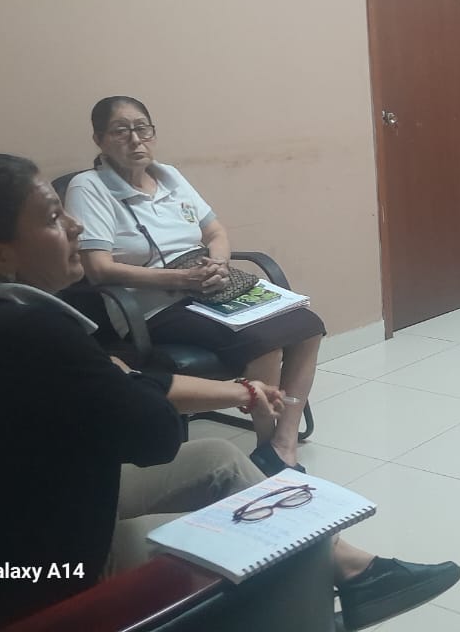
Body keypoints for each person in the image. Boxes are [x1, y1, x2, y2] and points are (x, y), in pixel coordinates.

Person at [0, 153, 460, 630]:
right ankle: (319, 598)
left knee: (216, 457)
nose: (76, 226)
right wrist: (122, 377)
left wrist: (238, 391)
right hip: (40, 573)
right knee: (272, 544)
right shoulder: (33, 333)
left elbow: (129, 387)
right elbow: (154, 436)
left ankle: (356, 571)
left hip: (41, 517)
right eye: (53, 218)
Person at [64, 96, 319, 476]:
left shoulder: (169, 175)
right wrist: (180, 279)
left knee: (308, 325)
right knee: (266, 340)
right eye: (121, 131)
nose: (135, 139)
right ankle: (268, 449)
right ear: (99, 139)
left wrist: (218, 264)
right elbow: (98, 269)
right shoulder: (89, 187)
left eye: (142, 129)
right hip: (150, 305)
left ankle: (283, 443)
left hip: (207, 285)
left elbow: (215, 232)